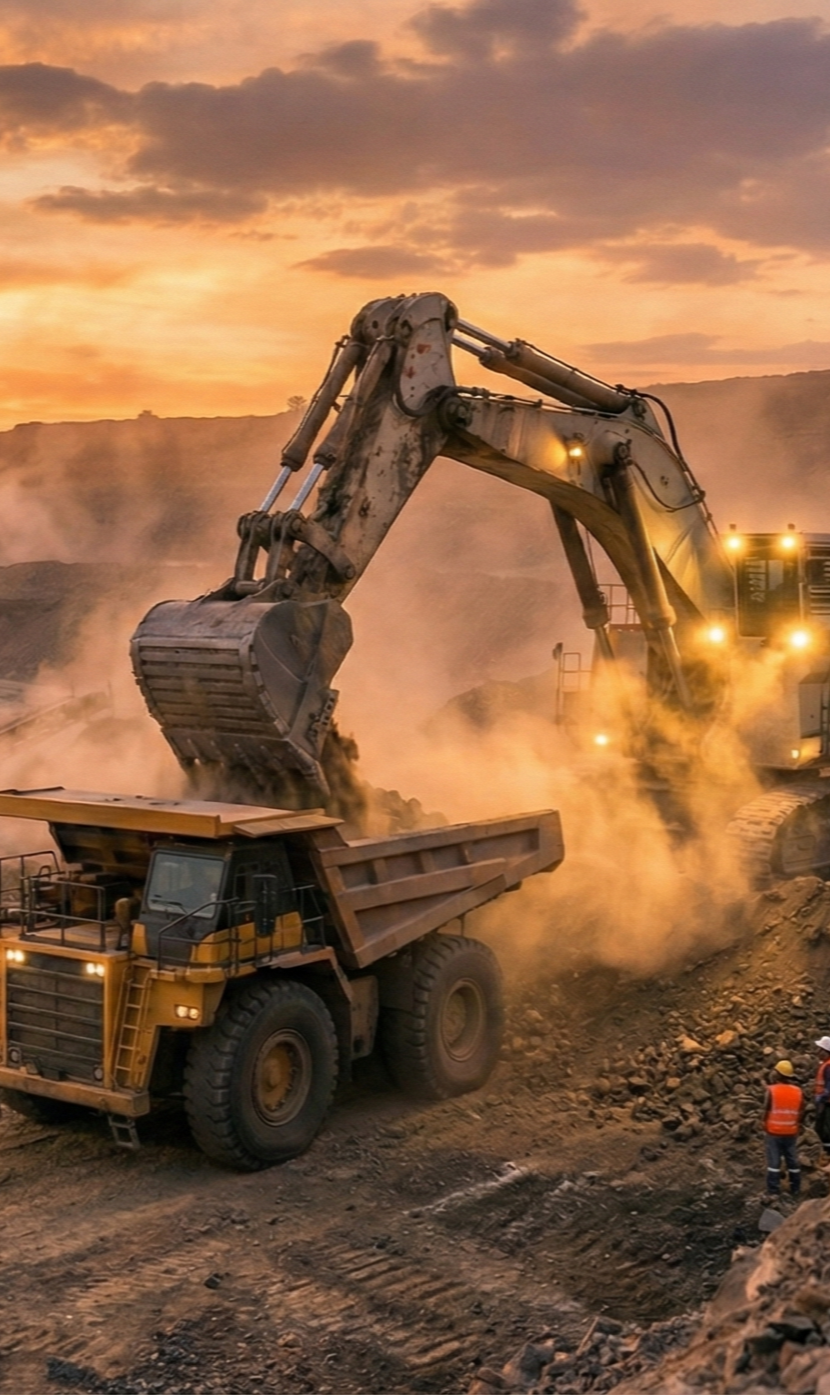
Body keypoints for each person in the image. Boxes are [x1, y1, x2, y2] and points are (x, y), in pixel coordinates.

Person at [763, 1060, 804, 1201]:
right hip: (791, 1132)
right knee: (792, 1160)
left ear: (777, 1074)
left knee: (774, 1162)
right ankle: (796, 1188)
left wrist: (763, 1123)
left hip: (774, 1131)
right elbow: (800, 1112)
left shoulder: (771, 1090)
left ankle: (773, 1190)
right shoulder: (798, 1091)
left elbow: (766, 1109)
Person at [814, 1036, 830, 1165]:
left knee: (826, 1131)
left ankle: (827, 1156)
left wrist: (821, 1099)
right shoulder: (825, 1065)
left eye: (820, 1049)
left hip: (827, 1104)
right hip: (825, 1102)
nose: (817, 1052)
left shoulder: (829, 1066)